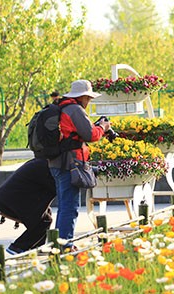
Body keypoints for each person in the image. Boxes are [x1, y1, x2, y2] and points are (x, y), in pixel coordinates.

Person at [48, 80, 110, 249]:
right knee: (70, 206)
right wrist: (103, 127)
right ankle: (64, 245)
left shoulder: (62, 107)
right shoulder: (75, 110)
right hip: (70, 164)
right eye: (88, 98)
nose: (88, 102)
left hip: (57, 162)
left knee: (64, 205)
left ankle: (59, 243)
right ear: (82, 96)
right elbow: (90, 134)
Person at [0, 158, 56, 254]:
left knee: (46, 216)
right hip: (13, 200)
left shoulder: (42, 162)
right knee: (43, 222)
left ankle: (36, 247)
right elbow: (59, 190)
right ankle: (18, 247)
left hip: (6, 197)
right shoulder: (47, 168)